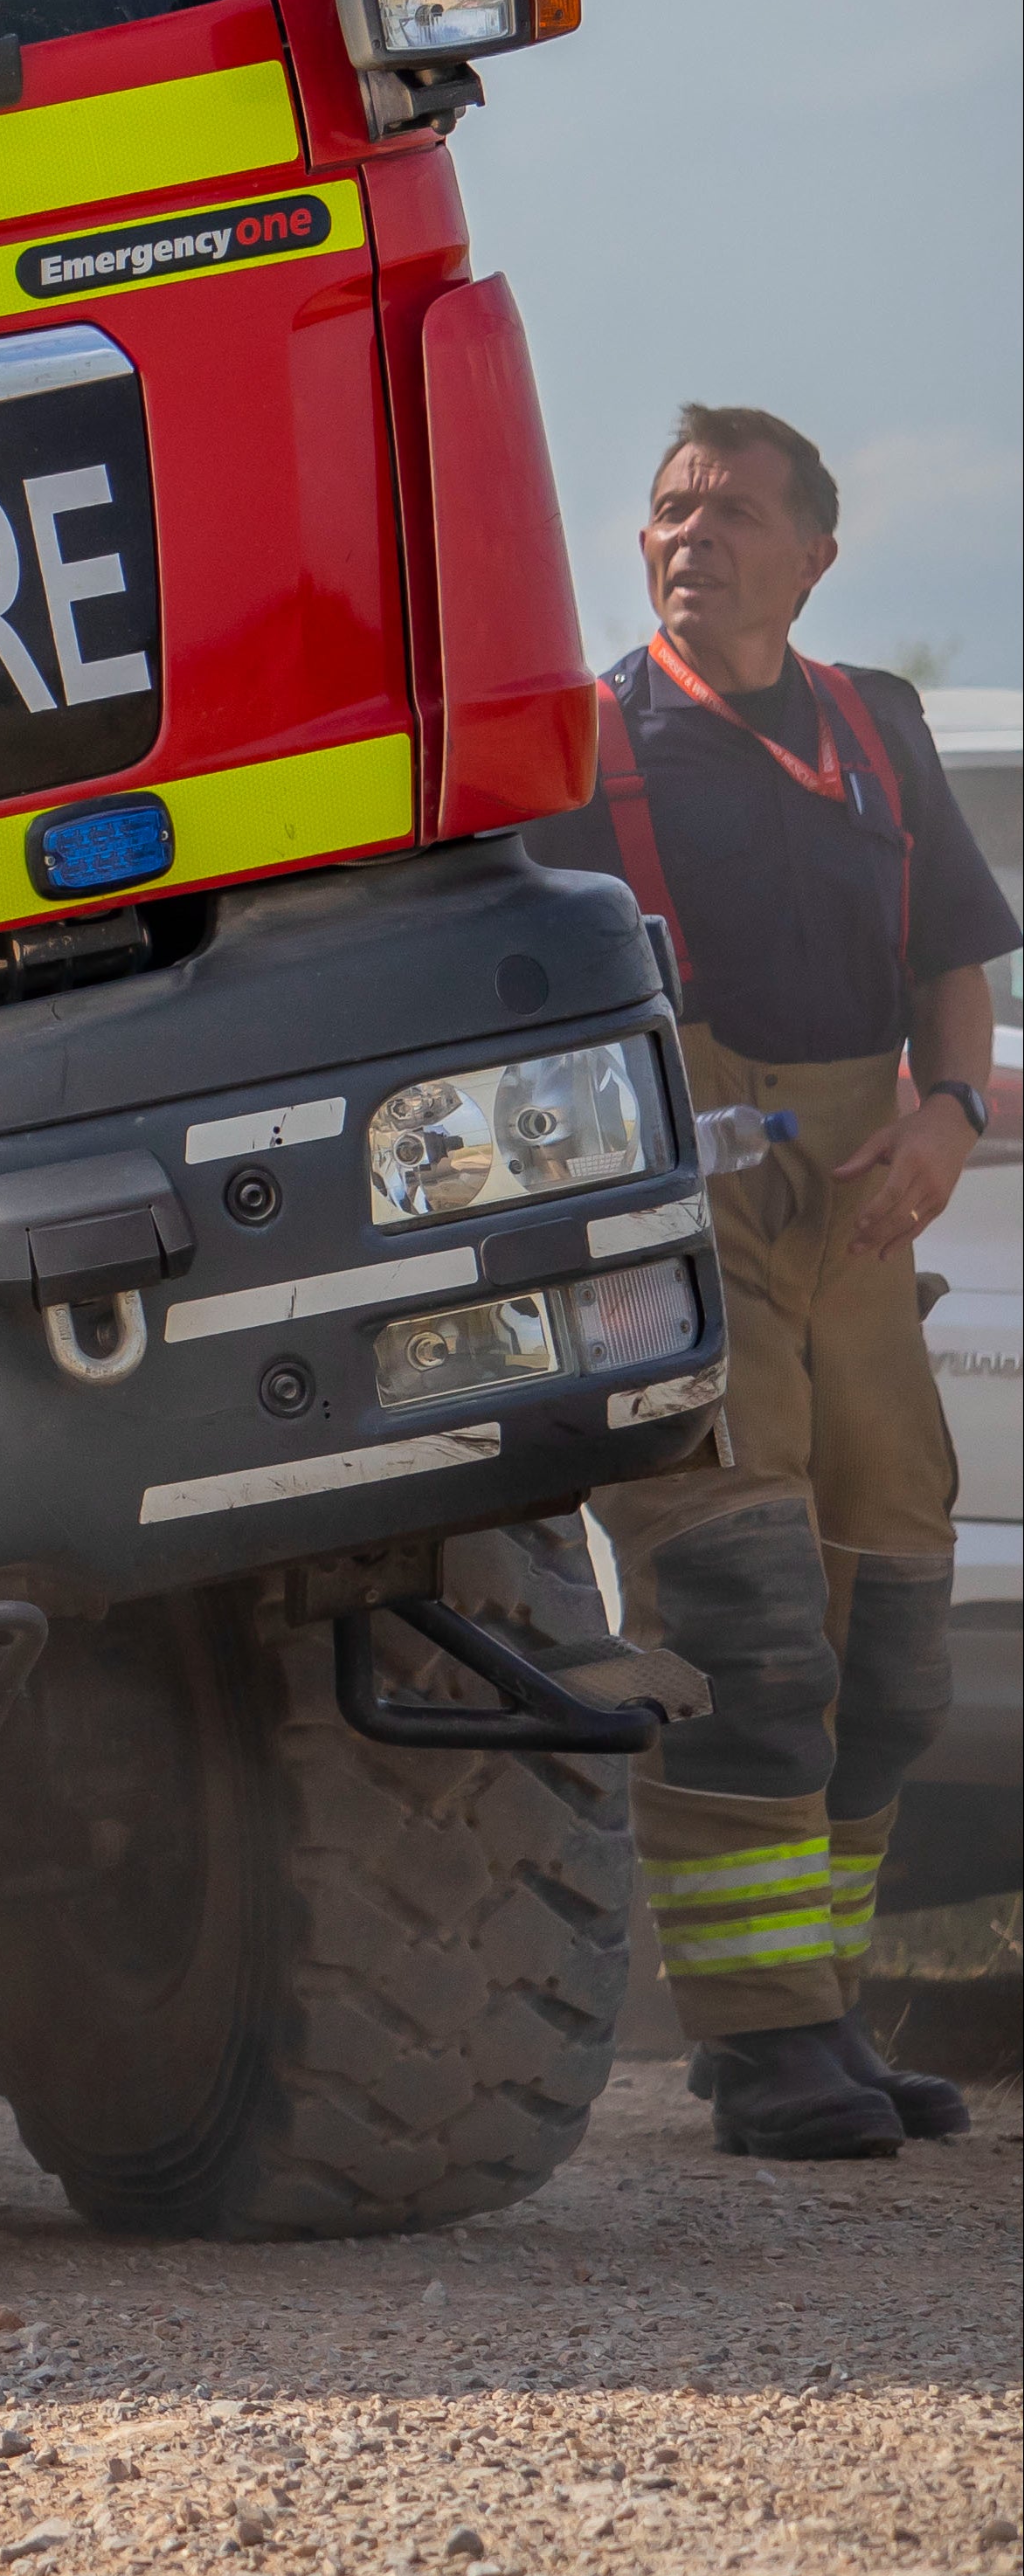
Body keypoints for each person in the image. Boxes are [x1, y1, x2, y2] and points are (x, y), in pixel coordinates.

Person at [527, 404, 1018, 2158]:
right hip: (687, 1211)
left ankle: (815, 2008)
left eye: (729, 508)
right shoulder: (584, 739)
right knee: (738, 1626)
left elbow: (950, 963)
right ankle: (754, 2041)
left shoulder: (871, 728)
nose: (688, 533)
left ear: (814, 552)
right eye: (668, 507)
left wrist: (947, 1114)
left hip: (864, 1220)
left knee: (884, 1653)